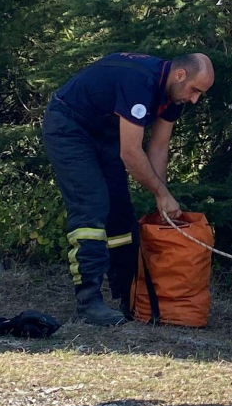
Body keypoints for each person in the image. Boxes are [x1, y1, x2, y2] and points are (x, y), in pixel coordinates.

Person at [44, 52, 214, 326]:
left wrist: (163, 199)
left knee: (121, 213)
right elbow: (131, 152)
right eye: (194, 90)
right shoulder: (140, 82)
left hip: (104, 133)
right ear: (180, 75)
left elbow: (158, 147)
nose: (194, 99)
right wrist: (161, 194)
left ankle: (129, 297)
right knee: (92, 206)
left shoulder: (174, 94)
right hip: (69, 127)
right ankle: (88, 301)